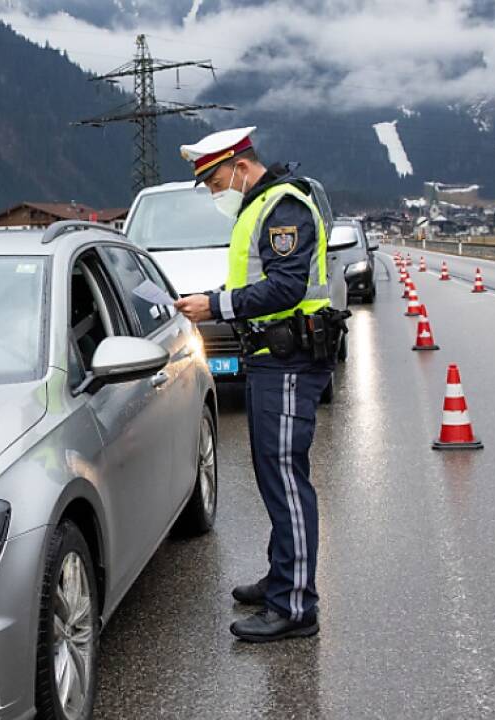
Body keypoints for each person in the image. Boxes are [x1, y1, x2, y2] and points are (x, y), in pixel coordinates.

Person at [173, 127, 347, 643]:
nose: (212, 192)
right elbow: (255, 280)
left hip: (290, 358)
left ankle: (295, 607)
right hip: (271, 359)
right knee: (273, 475)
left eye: (213, 181)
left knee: (286, 479)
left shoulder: (283, 208)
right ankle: (281, 578)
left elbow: (287, 286)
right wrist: (213, 296)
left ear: (240, 168)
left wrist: (216, 306)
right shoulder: (260, 208)